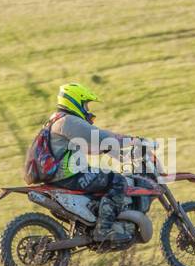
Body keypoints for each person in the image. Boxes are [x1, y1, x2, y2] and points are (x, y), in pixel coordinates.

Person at [43, 83, 143, 243]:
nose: (87, 109)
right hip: (69, 175)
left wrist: (115, 153)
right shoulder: (69, 121)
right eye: (85, 104)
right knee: (117, 181)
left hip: (58, 174)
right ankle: (103, 230)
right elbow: (99, 136)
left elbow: (89, 146)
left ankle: (93, 220)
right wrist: (132, 140)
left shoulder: (56, 120)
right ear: (75, 101)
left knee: (101, 176)